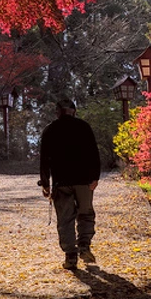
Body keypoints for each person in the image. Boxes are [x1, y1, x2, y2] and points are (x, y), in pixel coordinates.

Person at [39, 97, 101, 270]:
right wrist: (95, 177)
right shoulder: (84, 127)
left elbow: (45, 160)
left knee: (65, 219)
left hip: (61, 182)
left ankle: (70, 256)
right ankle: (84, 246)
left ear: (58, 112)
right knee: (86, 214)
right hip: (84, 180)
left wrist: (46, 183)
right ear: (73, 111)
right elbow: (94, 153)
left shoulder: (50, 130)